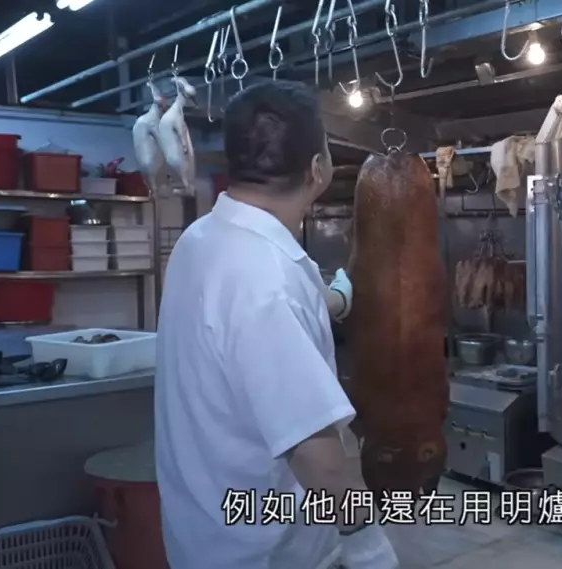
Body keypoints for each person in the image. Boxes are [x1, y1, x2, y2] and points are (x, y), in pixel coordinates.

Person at [154, 81, 398, 569]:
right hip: (267, 553)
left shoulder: (199, 240)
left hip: (202, 536)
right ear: (318, 168)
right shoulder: (267, 281)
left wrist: (332, 298)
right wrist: (371, 551)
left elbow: (246, 329)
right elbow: (316, 457)